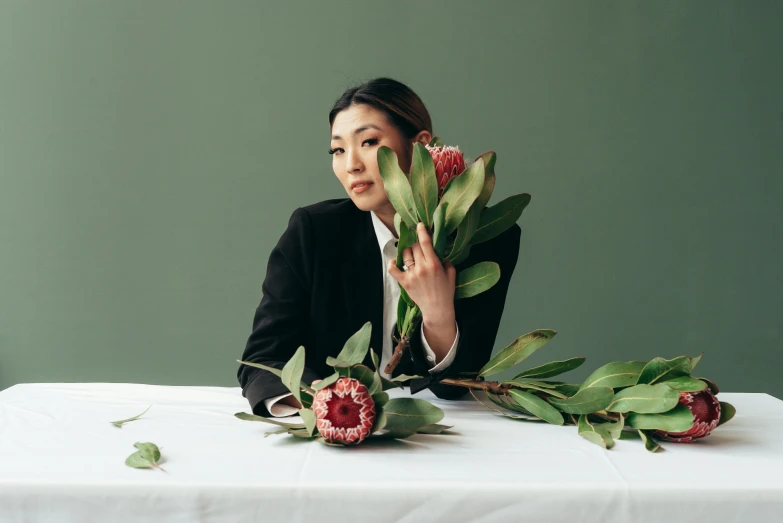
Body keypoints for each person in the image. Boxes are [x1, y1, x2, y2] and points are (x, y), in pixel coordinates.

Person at [237, 77, 521, 417]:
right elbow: (261, 363)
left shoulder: (485, 239)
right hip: (333, 431)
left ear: (419, 146)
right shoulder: (313, 232)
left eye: (369, 142)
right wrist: (331, 405)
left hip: (441, 436)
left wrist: (437, 314)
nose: (351, 164)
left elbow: (456, 386)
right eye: (338, 150)